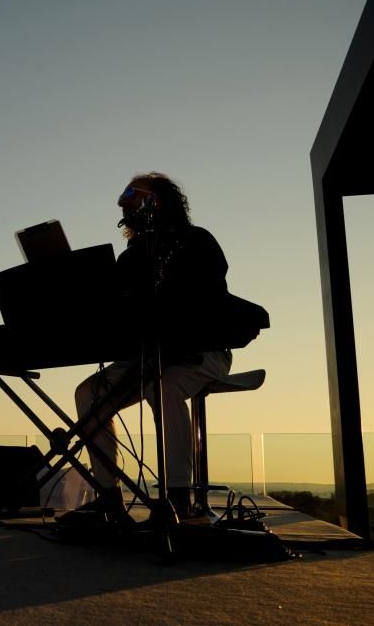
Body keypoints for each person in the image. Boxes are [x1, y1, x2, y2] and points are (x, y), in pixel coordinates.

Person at [70, 173, 232, 521]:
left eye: (130, 193)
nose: (122, 203)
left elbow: (209, 302)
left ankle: (178, 499)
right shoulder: (131, 257)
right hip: (143, 357)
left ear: (157, 199)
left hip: (202, 352)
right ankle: (109, 497)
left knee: (163, 386)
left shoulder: (197, 241)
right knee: (88, 394)